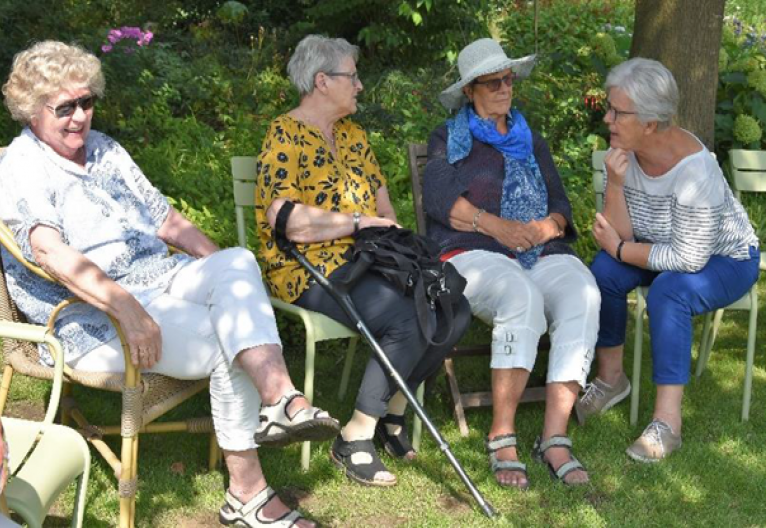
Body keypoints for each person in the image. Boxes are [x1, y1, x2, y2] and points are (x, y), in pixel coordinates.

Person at [0, 40, 341, 528]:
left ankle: (282, 400)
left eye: (87, 102)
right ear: (32, 110)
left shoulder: (105, 150)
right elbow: (52, 254)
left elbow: (166, 220)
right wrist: (127, 309)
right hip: (88, 315)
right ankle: (249, 494)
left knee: (238, 259)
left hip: (161, 278)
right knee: (229, 342)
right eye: (65, 107)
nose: (79, 117)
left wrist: (226, 273)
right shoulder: (21, 167)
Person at [255, 34, 472, 488]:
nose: (360, 86)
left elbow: (386, 211)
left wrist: (382, 235)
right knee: (404, 318)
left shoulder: (355, 136)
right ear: (321, 81)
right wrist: (357, 223)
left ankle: (393, 414)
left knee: (452, 303)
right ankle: (354, 436)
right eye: (352, 77)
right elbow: (288, 222)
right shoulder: (284, 135)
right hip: (306, 268)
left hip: (370, 260)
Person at [423, 38, 600, 488]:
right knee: (520, 296)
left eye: (509, 79)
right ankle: (502, 434)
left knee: (584, 292)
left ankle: (554, 436)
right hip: (473, 250)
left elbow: (561, 202)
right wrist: (497, 226)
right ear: (469, 90)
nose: (505, 88)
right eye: (493, 82)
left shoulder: (530, 138)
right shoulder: (448, 138)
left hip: (538, 248)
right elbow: (442, 200)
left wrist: (547, 227)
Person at [578, 58, 760, 462]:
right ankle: (611, 379)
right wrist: (617, 184)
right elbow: (618, 234)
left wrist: (623, 250)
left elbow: (688, 257)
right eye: (609, 108)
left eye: (617, 112)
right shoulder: (625, 151)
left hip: (723, 259)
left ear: (650, 122)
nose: (607, 118)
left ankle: (667, 423)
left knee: (669, 292)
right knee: (605, 271)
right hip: (661, 245)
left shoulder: (695, 170)